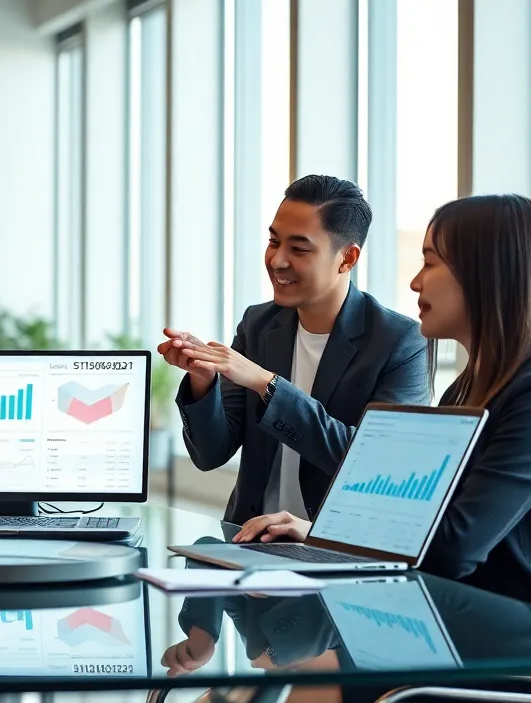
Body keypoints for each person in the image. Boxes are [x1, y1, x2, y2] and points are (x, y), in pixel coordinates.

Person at [226, 193, 531, 703]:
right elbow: (418, 522)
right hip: (443, 650)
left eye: (430, 262)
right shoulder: (475, 387)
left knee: (243, 697)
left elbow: (450, 544)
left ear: (485, 274)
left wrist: (341, 532)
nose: (413, 281)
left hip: (510, 685)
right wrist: (317, 530)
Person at [159, 175, 430, 526]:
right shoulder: (258, 324)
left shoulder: (399, 342)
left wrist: (267, 384)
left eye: (299, 249)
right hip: (249, 543)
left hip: (337, 552)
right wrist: (203, 381)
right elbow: (210, 454)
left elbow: (375, 464)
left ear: (347, 258)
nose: (277, 260)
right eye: (274, 242)